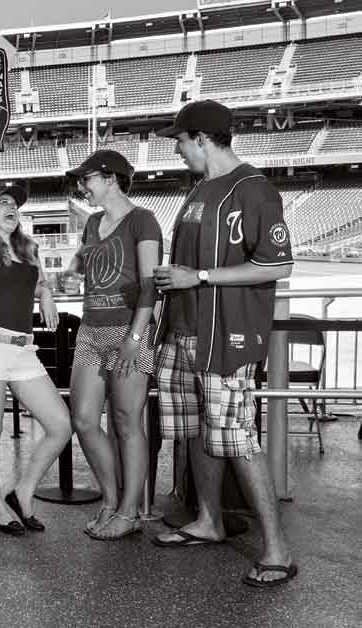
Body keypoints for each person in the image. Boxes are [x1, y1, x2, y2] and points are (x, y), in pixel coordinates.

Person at [151, 100, 298, 588]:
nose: (177, 148)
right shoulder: (200, 190)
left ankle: (277, 550)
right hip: (183, 331)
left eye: (180, 140)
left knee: (237, 437)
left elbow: (278, 264)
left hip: (224, 338)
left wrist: (200, 277)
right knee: (196, 431)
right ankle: (209, 520)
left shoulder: (253, 189)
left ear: (202, 138)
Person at [0, 149, 73, 536]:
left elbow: (36, 282)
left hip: (22, 350)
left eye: (15, 204)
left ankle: (22, 493)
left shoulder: (28, 249)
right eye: (3, 203)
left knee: (60, 424)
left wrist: (45, 295)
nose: (12, 207)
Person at [64, 150, 163, 540]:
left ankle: (128, 512)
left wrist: (135, 340)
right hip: (90, 331)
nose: (81, 187)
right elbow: (82, 262)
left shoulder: (143, 220)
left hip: (129, 332)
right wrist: (73, 274)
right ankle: (110, 501)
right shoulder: (92, 223)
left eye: (86, 179)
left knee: (126, 423)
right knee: (85, 420)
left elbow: (150, 283)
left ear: (111, 178)